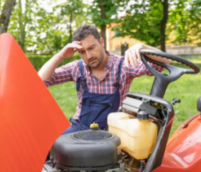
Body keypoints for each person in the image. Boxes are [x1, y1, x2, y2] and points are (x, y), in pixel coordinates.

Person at [38, 25, 170, 134]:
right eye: (82, 52)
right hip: (80, 128)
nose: (89, 56)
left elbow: (163, 64)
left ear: (101, 42)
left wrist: (142, 47)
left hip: (113, 130)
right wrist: (60, 55)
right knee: (52, 150)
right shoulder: (76, 68)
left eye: (91, 48)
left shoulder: (123, 66)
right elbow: (41, 81)